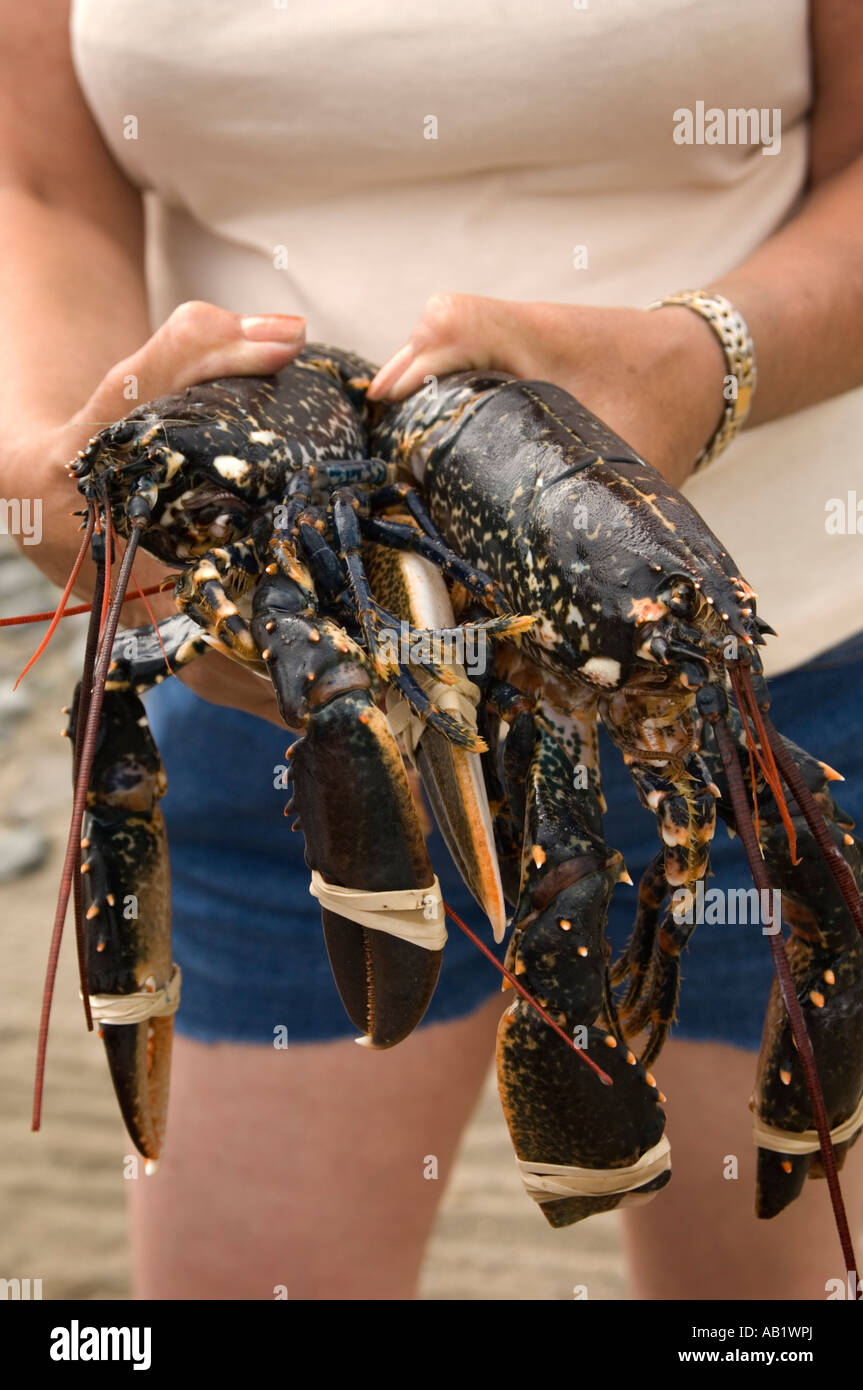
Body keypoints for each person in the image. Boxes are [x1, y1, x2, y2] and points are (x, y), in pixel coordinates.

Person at [3, 0, 862, 1299]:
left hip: (742, 660)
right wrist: (52, 460)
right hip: (269, 695)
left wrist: (710, 359)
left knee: (758, 1301)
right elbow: (43, 178)